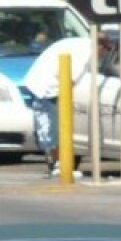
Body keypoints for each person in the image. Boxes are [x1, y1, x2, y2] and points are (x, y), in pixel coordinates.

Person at [20, 33, 101, 177]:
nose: (104, 55)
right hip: (47, 87)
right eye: (106, 50)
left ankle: (57, 163)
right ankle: (57, 164)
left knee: (50, 126)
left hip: (43, 83)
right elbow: (70, 78)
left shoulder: (81, 44)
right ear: (101, 46)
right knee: (50, 126)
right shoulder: (85, 53)